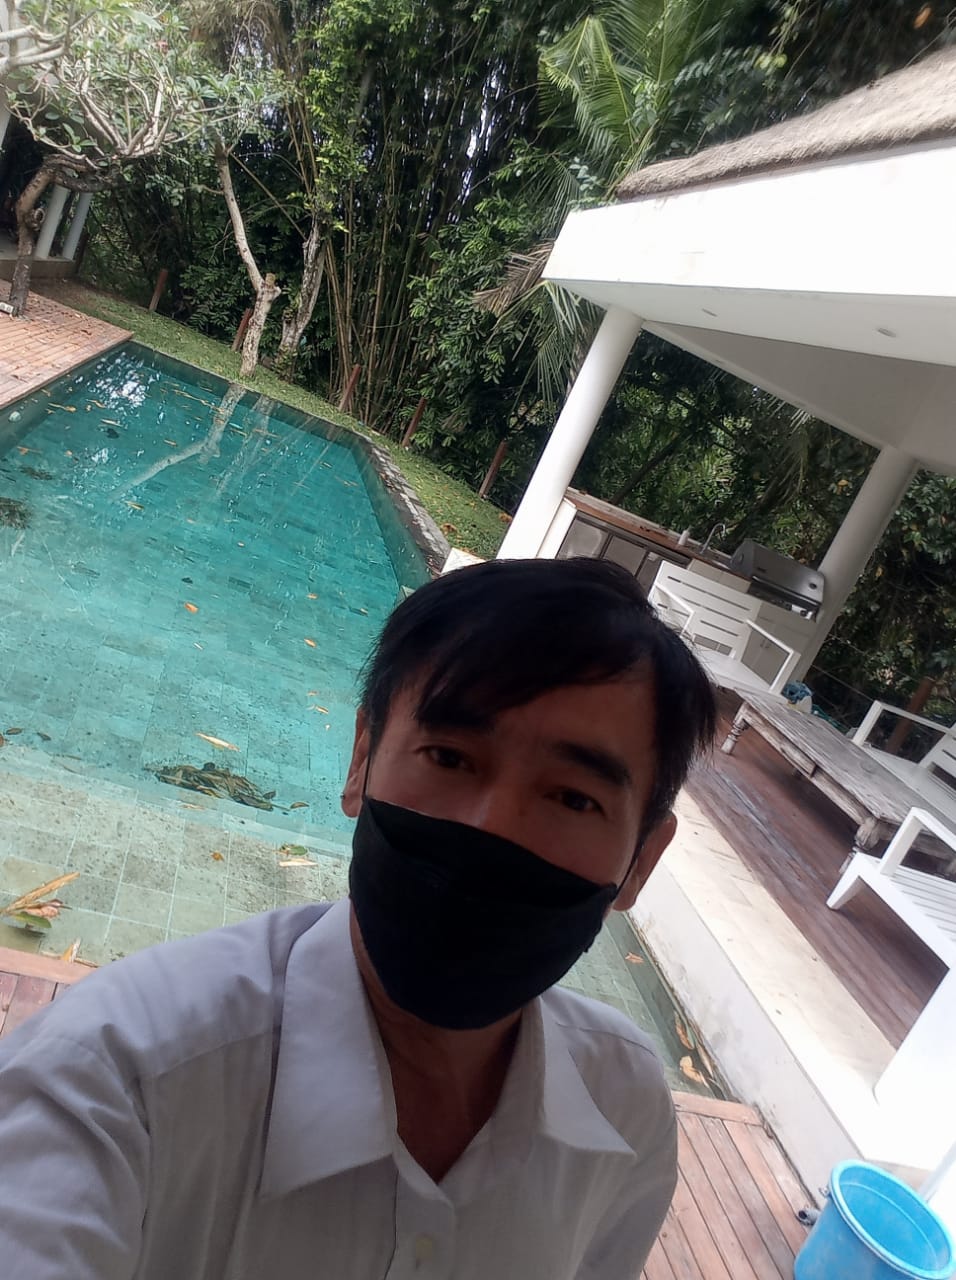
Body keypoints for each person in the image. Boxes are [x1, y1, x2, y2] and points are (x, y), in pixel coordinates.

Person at [0, 556, 715, 1279]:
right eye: (448, 757)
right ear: (361, 758)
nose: (491, 827)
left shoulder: (627, 1113)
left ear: (641, 863)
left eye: (573, 798)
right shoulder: (111, 1084)